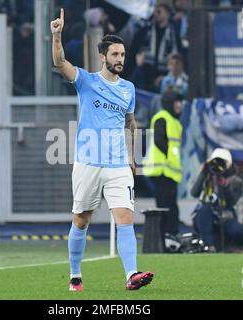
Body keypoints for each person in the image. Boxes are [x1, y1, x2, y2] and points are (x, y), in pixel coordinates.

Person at [51, 8, 153, 291]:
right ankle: (75, 275)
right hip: (88, 163)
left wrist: (132, 158)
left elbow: (130, 123)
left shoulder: (128, 89)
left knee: (126, 217)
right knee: (81, 219)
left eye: (122, 55)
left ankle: (131, 274)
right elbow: (60, 62)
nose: (120, 59)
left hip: (118, 164)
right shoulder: (86, 81)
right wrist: (56, 35)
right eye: (115, 55)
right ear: (103, 57)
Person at [190, 148, 243, 253]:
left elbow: (232, 201)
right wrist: (203, 174)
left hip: (224, 216)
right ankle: (208, 245)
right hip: (204, 217)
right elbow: (194, 193)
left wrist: (224, 185)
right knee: (205, 209)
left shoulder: (235, 181)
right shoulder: (206, 176)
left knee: (237, 230)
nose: (217, 166)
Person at [143, 90, 183, 244]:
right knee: (166, 206)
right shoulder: (162, 118)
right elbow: (159, 139)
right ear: (169, 103)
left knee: (171, 205)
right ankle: (166, 236)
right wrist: (168, 156)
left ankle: (171, 235)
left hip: (170, 171)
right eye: (177, 102)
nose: (180, 105)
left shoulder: (176, 122)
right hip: (162, 170)